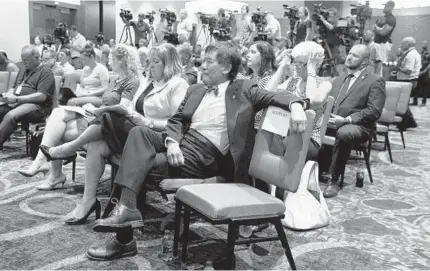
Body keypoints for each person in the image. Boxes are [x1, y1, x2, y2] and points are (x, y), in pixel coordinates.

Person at [80, 41, 313, 261]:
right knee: (138, 135)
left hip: (207, 156)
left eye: (209, 61)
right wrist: (171, 142)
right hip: (182, 145)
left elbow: (275, 95)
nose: (202, 65)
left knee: (138, 163)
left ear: (226, 67)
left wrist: (296, 106)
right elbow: (176, 120)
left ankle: (124, 236)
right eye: (202, 60)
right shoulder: (196, 89)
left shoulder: (243, 88)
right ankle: (127, 209)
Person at [38, 44, 188, 224]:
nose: (150, 66)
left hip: (154, 135)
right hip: (134, 129)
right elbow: (131, 108)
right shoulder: (149, 83)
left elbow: (177, 122)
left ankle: (68, 149)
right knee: (96, 145)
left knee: (108, 114)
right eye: (150, 62)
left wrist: (146, 122)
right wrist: (129, 114)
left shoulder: (177, 84)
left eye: (156, 62)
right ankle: (88, 201)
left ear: (169, 64)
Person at [18, 44, 140, 189]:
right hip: (97, 116)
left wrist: (98, 110)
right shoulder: (116, 80)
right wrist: (93, 106)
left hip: (109, 125)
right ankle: (45, 165)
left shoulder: (132, 81)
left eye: (112, 59)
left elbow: (123, 108)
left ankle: (50, 171)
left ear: (122, 61)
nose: (109, 62)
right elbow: (105, 99)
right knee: (57, 119)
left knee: (58, 126)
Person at [319, 44, 386, 198]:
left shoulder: (375, 81)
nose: (348, 57)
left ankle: (333, 180)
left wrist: (347, 119)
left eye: (354, 55)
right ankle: (316, 170)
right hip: (333, 121)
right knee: (310, 126)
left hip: (360, 126)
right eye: (349, 53)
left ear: (364, 62)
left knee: (344, 133)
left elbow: (374, 111)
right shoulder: (338, 79)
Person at [268, 41, 331, 161]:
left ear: (315, 64)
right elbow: (268, 93)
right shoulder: (293, 81)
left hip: (307, 138)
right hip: (283, 131)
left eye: (301, 63)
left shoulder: (324, 84)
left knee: (274, 146)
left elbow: (312, 101)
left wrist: (311, 70)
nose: (296, 66)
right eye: (295, 62)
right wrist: (282, 67)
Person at [0, 45, 55, 150]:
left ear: (36, 57)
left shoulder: (46, 72)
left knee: (11, 116)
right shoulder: (23, 70)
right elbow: (14, 87)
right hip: (18, 102)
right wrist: (9, 94)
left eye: (26, 60)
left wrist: (17, 99)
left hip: (38, 106)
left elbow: (41, 96)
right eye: (23, 60)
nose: (24, 63)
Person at [372, 0, 397, 77]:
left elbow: (384, 33)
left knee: (381, 63)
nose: (385, 7)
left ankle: (379, 81)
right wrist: (378, 29)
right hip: (377, 42)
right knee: (374, 63)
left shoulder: (391, 19)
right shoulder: (382, 18)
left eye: (387, 6)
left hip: (384, 43)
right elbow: (374, 29)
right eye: (385, 5)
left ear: (391, 7)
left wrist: (377, 29)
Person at [418, 41, 430, 106]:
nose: (423, 44)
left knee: (425, 86)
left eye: (425, 43)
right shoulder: (421, 53)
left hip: (424, 73)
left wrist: (424, 71)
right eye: (422, 43)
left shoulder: (427, 54)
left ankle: (424, 101)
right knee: (417, 86)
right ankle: (415, 101)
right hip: (419, 71)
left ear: (427, 45)